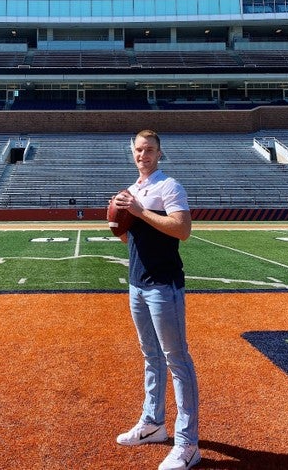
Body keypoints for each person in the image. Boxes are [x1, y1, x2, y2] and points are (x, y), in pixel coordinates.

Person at [113, 129, 200, 470]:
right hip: (137, 284)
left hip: (164, 285)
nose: (143, 154)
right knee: (151, 357)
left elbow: (182, 229)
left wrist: (139, 210)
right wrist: (119, 221)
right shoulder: (132, 189)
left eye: (149, 149)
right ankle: (153, 424)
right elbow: (129, 242)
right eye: (138, 149)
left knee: (177, 360)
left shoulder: (169, 186)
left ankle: (188, 443)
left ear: (159, 153)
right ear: (132, 153)